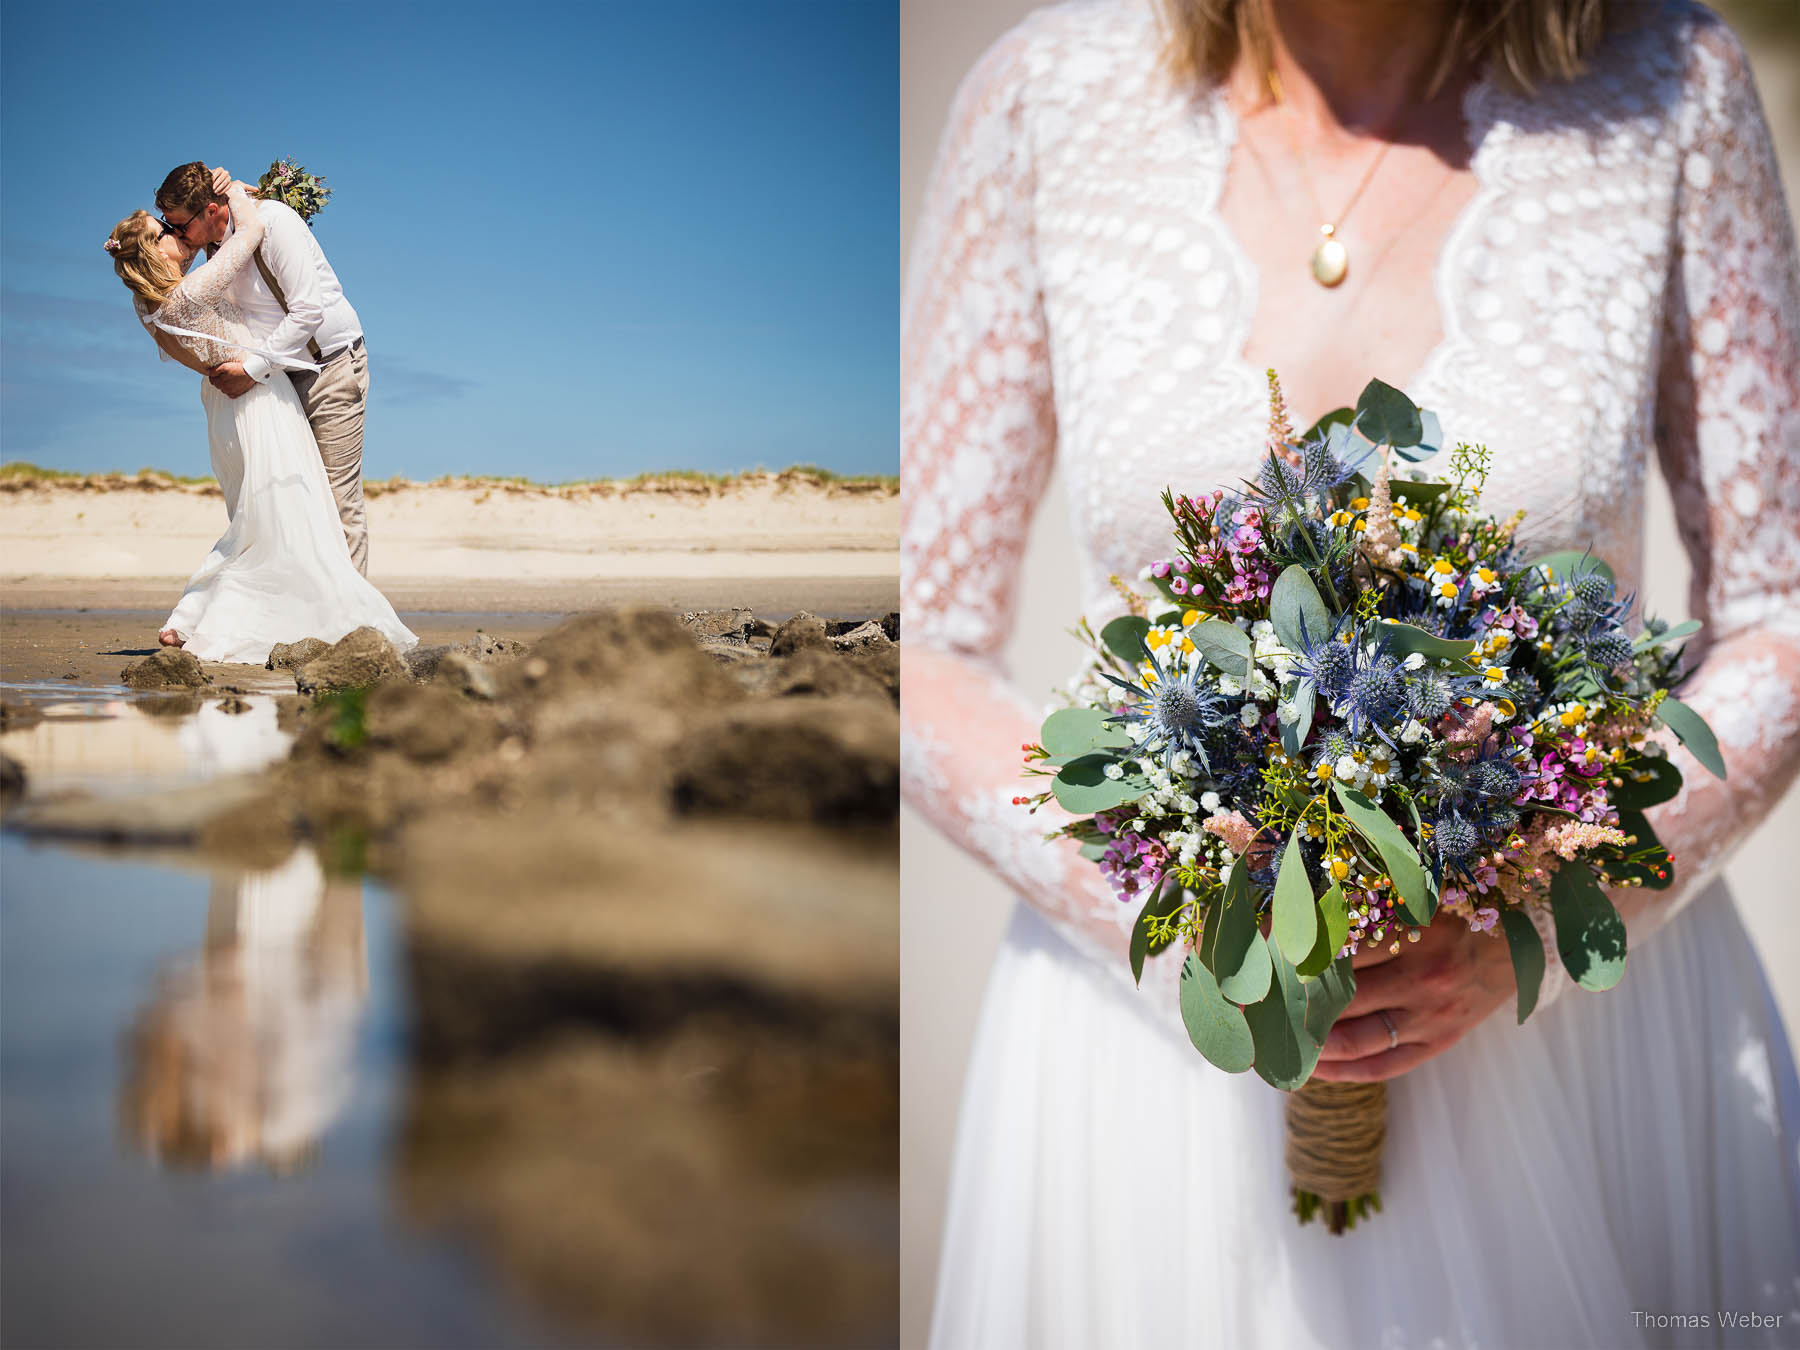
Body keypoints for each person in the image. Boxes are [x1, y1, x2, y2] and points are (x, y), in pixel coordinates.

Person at [902, 0, 1800, 1344]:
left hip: (1568, 1035)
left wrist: (1543, 913)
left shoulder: (1671, 86)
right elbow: (922, 646)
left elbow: (1781, 606)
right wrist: (1196, 940)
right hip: (1162, 1045)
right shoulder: (1042, 97)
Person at [104, 185, 415, 663]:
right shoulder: (190, 290)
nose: (177, 233)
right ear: (152, 252)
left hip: (228, 406)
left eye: (175, 222)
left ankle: (191, 618)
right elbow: (249, 231)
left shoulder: (148, 303)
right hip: (258, 400)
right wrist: (233, 194)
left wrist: (223, 195)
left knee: (261, 520)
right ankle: (338, 624)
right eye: (166, 230)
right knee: (287, 518)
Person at [155, 161, 373, 576]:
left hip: (330, 368)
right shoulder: (211, 244)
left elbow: (308, 311)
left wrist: (251, 370)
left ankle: (356, 627)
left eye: (181, 225)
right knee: (291, 500)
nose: (177, 234)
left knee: (338, 499)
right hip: (280, 379)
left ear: (212, 212)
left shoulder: (273, 221)